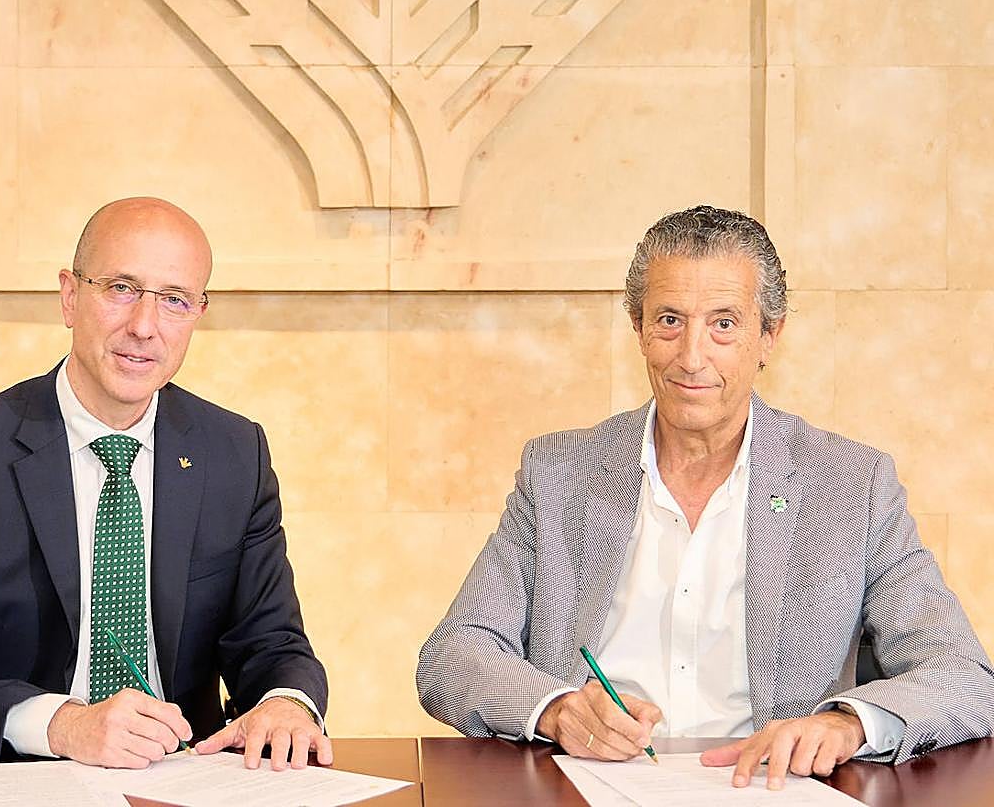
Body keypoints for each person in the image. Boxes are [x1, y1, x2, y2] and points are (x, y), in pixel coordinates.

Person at [416, 205, 994, 789]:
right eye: (669, 320)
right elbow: (452, 656)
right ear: (638, 328)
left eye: (724, 324)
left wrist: (846, 725)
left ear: (769, 335)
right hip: (590, 787)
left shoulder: (849, 483)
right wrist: (557, 708)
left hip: (766, 792)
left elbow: (963, 675)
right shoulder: (558, 472)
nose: (692, 356)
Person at [0, 197, 331, 770]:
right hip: (16, 776)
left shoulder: (234, 453)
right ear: (69, 296)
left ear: (197, 314)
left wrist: (288, 702)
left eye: (174, 300)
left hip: (182, 779)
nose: (144, 327)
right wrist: (59, 724)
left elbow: (273, 643)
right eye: (121, 288)